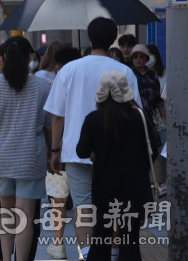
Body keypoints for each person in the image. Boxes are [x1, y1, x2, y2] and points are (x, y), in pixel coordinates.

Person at [44, 18, 142, 261]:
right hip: (116, 153)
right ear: (113, 40)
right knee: (115, 206)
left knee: (84, 207)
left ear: (89, 38)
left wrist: (55, 151)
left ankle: (88, 255)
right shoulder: (125, 71)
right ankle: (115, 254)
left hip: (76, 152)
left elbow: (57, 117)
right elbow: (135, 110)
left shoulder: (69, 69)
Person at [0, 36, 52, 261]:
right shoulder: (43, 87)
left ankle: (6, 259)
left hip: (1, 160)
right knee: (25, 217)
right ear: (29, 59)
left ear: (3, 59)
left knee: (6, 215)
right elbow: (50, 125)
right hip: (30, 159)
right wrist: (54, 153)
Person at [76, 72, 158, 261]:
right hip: (134, 188)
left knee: (101, 240)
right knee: (130, 242)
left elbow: (81, 151)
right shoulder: (140, 116)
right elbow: (152, 150)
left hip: (104, 189)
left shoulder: (93, 119)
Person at [44, 46, 81, 260]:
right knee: (83, 200)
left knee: (58, 199)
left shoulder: (59, 80)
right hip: (87, 150)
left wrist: (54, 150)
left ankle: (59, 244)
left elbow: (55, 118)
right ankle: (84, 245)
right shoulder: (91, 80)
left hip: (63, 149)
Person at [131, 44, 166, 196]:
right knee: (135, 151)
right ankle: (137, 183)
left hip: (150, 117)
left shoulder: (153, 76)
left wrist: (164, 117)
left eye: (141, 56)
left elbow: (158, 99)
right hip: (133, 118)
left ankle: (157, 184)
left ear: (146, 58)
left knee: (155, 150)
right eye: (135, 56)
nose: (138, 59)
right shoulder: (128, 74)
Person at [147, 43, 167, 192]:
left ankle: (161, 182)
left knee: (162, 148)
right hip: (149, 115)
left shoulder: (163, 74)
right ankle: (155, 183)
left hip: (162, 116)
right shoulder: (141, 75)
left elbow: (163, 98)